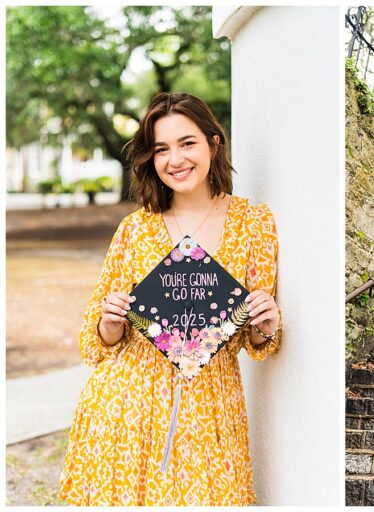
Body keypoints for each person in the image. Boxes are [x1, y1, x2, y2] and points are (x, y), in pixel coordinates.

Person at [60, 92, 282, 505]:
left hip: (210, 407)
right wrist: (109, 324)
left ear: (214, 143)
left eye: (187, 143)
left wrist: (264, 327)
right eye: (161, 149)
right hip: (128, 407)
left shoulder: (254, 225)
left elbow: (255, 342)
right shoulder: (135, 230)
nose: (174, 160)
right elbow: (98, 341)